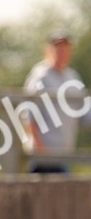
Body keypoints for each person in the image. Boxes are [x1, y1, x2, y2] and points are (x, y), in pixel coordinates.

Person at [22, 30, 91, 173]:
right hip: (42, 158)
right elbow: (28, 114)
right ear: (48, 49)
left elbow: (85, 114)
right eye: (57, 46)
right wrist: (38, 147)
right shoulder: (41, 76)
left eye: (65, 47)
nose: (61, 51)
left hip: (64, 156)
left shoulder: (73, 77)